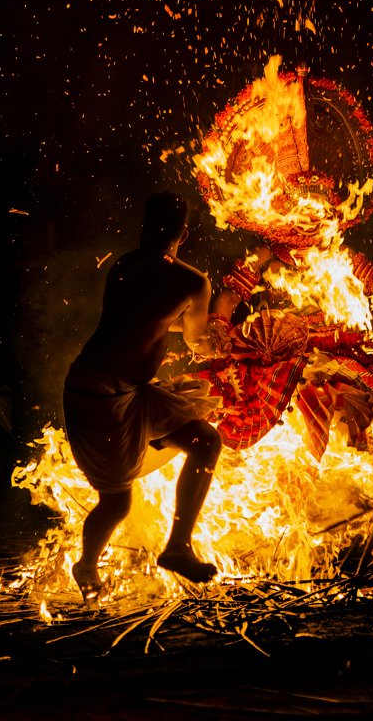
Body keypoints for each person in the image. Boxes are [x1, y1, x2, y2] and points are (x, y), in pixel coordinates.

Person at [63, 191, 222, 602]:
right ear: (183, 234)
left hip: (120, 388)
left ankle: (177, 547)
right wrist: (215, 341)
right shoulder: (192, 281)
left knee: (205, 441)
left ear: (145, 227)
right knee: (116, 504)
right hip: (102, 395)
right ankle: (86, 565)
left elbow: (141, 321)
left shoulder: (123, 265)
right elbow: (195, 338)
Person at [199, 240, 373, 461]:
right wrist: (218, 330)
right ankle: (304, 473)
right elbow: (230, 296)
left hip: (335, 346)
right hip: (281, 353)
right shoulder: (263, 254)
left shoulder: (334, 247)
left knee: (356, 426)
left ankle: (360, 472)